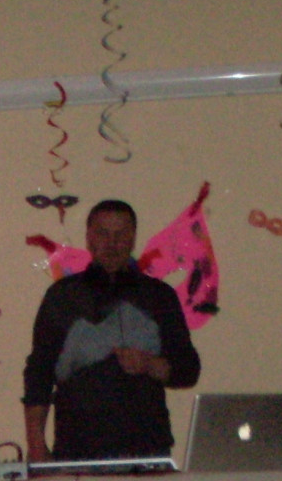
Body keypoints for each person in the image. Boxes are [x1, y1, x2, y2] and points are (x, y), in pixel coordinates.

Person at [22, 198, 200, 464]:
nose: (112, 242)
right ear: (89, 238)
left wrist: (150, 364)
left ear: (133, 238)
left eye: (120, 234)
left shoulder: (159, 297)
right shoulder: (62, 297)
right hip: (76, 449)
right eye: (103, 233)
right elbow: (39, 373)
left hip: (147, 449)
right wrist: (36, 446)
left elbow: (188, 369)